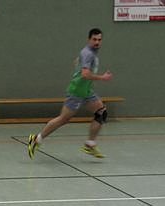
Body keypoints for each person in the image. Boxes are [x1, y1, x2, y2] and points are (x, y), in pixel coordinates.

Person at [27, 28, 113, 160]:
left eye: (99, 40)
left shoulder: (90, 53)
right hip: (77, 91)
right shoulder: (88, 53)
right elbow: (85, 74)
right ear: (89, 39)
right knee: (63, 119)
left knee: (102, 112)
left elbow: (79, 63)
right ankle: (36, 139)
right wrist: (102, 78)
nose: (97, 42)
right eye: (94, 39)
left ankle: (90, 144)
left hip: (86, 91)